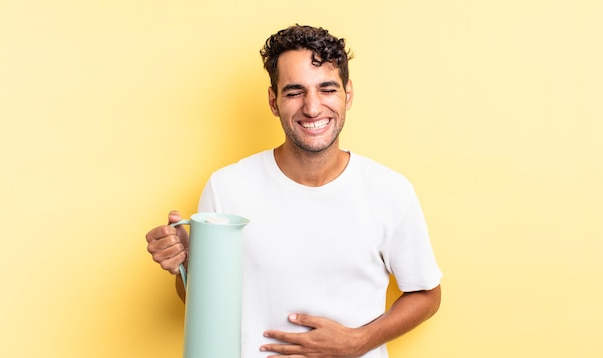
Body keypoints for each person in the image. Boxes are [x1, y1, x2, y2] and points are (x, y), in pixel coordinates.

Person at [146, 24, 442, 358]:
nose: (313, 108)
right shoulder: (227, 187)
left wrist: (358, 342)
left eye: (327, 89)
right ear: (273, 101)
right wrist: (189, 264)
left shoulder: (391, 192)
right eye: (294, 92)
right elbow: (202, 301)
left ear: (348, 94)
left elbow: (427, 294)